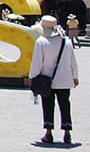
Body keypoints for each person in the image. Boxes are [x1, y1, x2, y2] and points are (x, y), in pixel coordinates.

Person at [30, 14, 79, 144]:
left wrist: (32, 77)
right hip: (64, 80)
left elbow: (37, 63)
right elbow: (72, 61)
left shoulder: (41, 42)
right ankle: (67, 132)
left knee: (47, 105)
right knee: (65, 105)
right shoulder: (66, 41)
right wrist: (75, 76)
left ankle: (48, 132)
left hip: (46, 81)